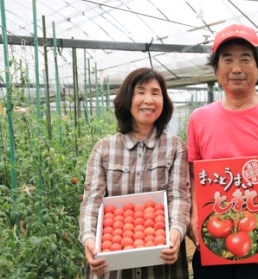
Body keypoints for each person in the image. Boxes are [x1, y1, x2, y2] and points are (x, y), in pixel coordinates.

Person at [187, 24, 258, 278]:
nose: (236, 68)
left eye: (245, 59)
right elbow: (196, 177)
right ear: (216, 69)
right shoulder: (199, 119)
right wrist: (196, 218)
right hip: (214, 217)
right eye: (227, 59)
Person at [79, 67, 191, 279]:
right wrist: (89, 238)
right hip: (113, 263)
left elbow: (179, 196)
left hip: (162, 261)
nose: (149, 99)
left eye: (155, 93)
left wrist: (175, 232)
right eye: (141, 92)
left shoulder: (175, 146)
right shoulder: (103, 149)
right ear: (127, 98)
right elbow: (92, 200)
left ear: (164, 102)